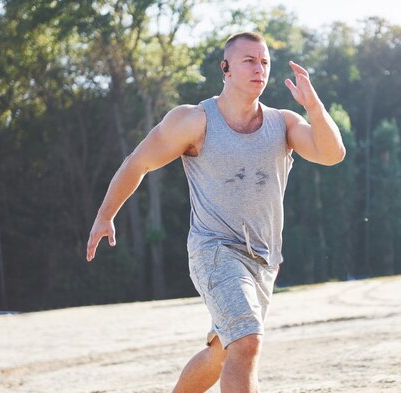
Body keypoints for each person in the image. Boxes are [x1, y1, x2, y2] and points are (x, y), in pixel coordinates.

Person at [86, 31, 345, 393]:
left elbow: (331, 154)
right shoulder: (194, 120)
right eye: (249, 61)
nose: (260, 69)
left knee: (221, 354)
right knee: (248, 340)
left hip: (264, 260)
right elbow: (138, 163)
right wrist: (105, 213)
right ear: (225, 68)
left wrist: (314, 107)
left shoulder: (282, 123)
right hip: (214, 250)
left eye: (265, 62)